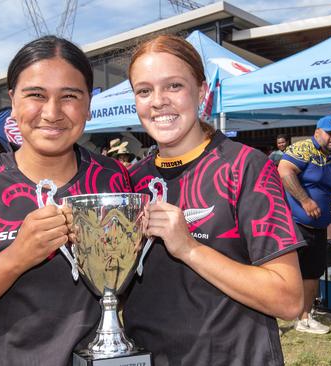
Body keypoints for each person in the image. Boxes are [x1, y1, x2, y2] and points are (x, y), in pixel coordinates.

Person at [0, 35, 132, 365]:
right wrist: (16, 257)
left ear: (89, 104)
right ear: (13, 101)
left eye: (70, 96)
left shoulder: (115, 180)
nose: (52, 112)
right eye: (36, 95)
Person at [122, 34, 304, 366]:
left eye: (174, 86)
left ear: (202, 91)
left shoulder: (245, 166)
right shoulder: (131, 181)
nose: (158, 101)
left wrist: (189, 248)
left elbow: (289, 299)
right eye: (144, 90)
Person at [278, 115, 331, 335]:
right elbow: (284, 171)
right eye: (329, 133)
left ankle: (305, 318)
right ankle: (268, 319)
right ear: (317, 132)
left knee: (312, 273)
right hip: (293, 224)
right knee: (284, 273)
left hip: (319, 228)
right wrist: (305, 200)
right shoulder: (303, 148)